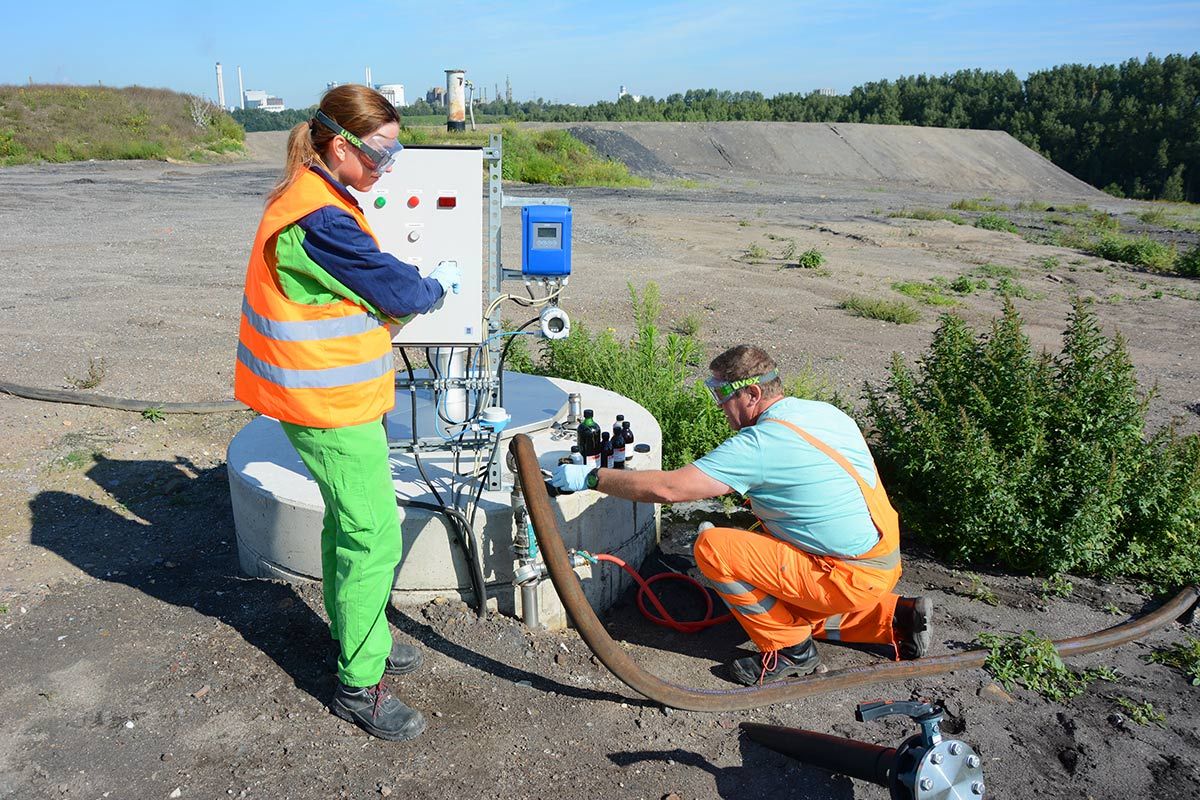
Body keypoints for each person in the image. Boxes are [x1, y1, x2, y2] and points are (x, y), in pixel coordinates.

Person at [234, 85, 460, 739]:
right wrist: (438, 284)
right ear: (340, 145)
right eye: (383, 153)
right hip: (327, 405)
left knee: (347, 528)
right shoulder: (320, 216)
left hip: (330, 399)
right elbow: (395, 287)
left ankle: (370, 641)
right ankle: (360, 688)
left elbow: (365, 278)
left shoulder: (314, 195)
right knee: (372, 537)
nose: (388, 167)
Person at [551, 345, 931, 685]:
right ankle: (896, 618)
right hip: (880, 560)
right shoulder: (821, 413)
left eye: (722, 394)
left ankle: (791, 653)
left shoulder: (761, 444)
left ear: (752, 393)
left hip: (846, 573)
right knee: (784, 598)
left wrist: (592, 476)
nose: (719, 405)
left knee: (715, 548)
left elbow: (670, 489)